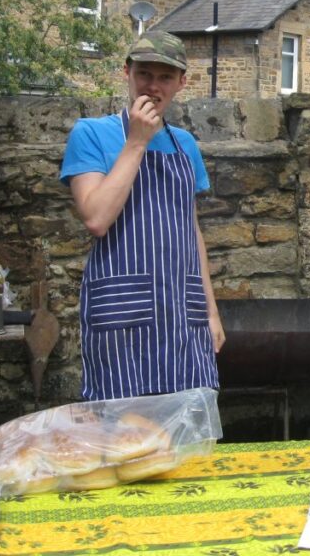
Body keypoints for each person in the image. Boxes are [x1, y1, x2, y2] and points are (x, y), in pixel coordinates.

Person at [60, 31, 224, 401]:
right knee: (123, 434)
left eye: (165, 77)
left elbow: (190, 230)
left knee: (187, 429)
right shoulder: (91, 135)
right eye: (144, 74)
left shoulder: (186, 144)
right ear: (126, 73)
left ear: (182, 82)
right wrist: (136, 141)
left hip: (185, 314)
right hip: (123, 315)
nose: (153, 86)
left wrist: (211, 312)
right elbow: (96, 218)